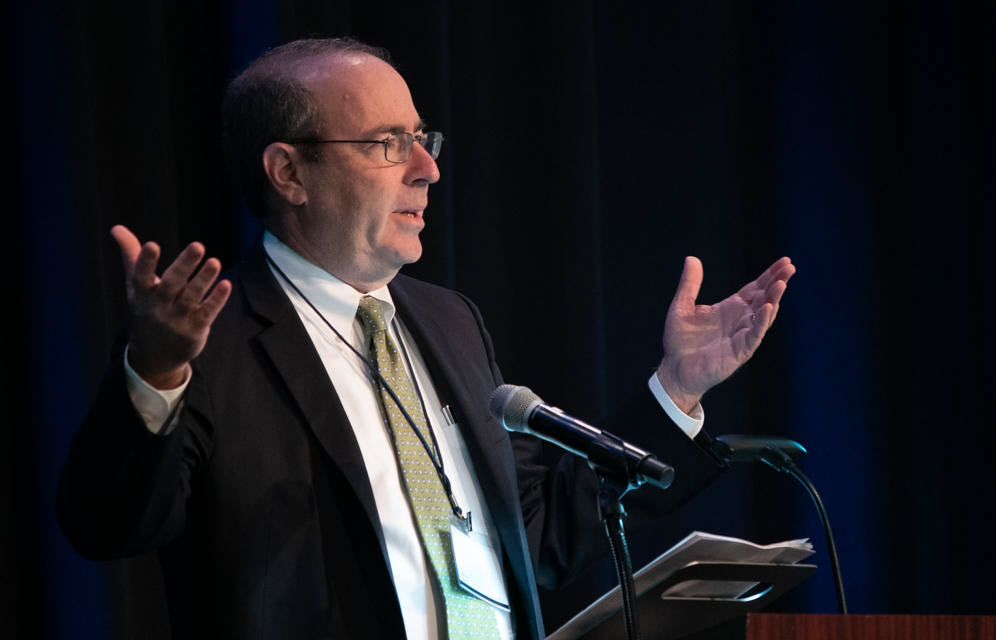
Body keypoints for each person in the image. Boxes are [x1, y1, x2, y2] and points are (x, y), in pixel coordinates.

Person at [58, 38, 795, 639]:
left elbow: (539, 536)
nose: (428, 169)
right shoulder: (208, 344)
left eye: (422, 138)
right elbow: (108, 525)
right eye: (388, 143)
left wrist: (679, 387)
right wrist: (154, 373)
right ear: (289, 173)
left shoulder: (451, 321)